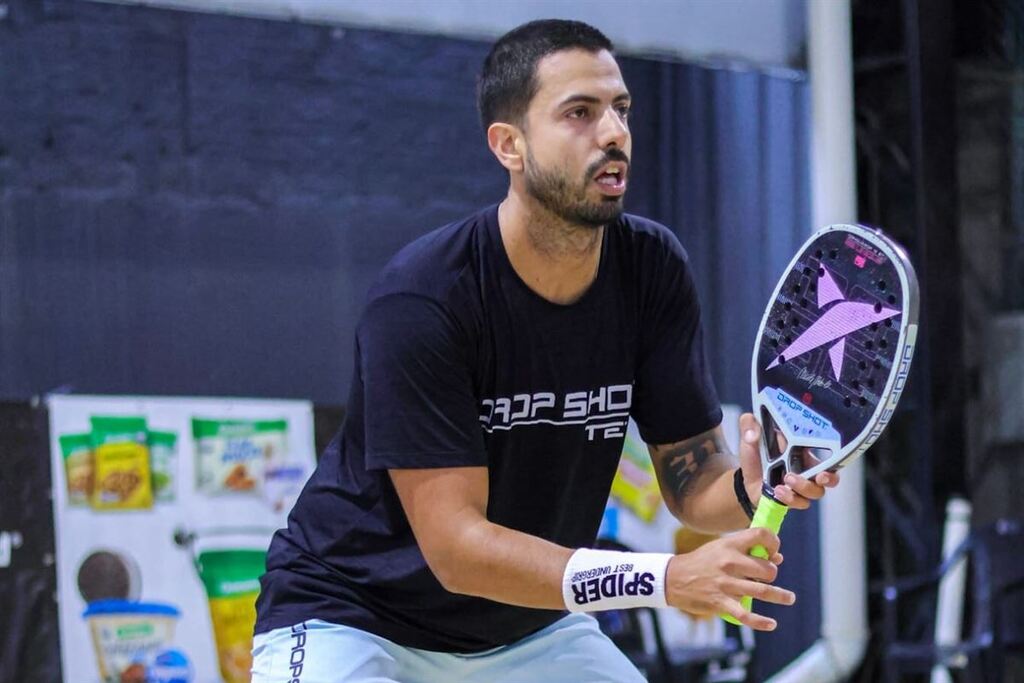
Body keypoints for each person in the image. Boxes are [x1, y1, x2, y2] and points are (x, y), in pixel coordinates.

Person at [251, 18, 838, 683]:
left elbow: (691, 475)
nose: (614, 133)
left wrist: (750, 485)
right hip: (354, 615)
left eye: (621, 109)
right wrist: (666, 578)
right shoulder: (423, 297)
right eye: (580, 113)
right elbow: (458, 550)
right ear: (509, 144)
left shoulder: (652, 270)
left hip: (526, 629)